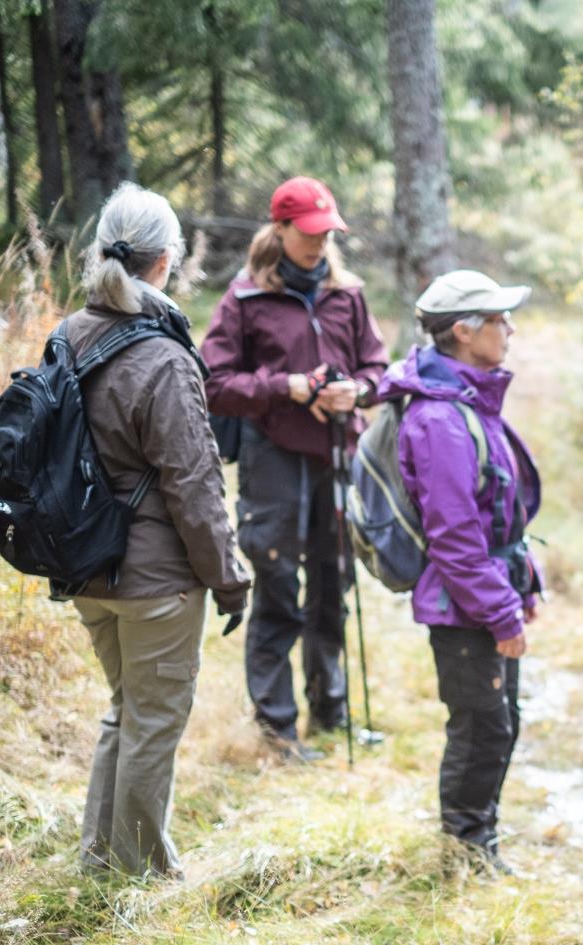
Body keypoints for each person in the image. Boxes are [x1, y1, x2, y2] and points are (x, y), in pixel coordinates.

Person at [64, 183, 251, 877]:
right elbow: (194, 486)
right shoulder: (166, 360)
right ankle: (140, 871)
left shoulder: (69, 334)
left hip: (83, 565)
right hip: (155, 582)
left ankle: (99, 857)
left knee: (126, 709)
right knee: (151, 720)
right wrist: (230, 579)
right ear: (167, 261)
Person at [201, 176, 388, 763]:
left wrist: (357, 392)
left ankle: (332, 712)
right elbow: (214, 383)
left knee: (334, 585)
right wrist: (287, 387)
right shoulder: (244, 299)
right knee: (279, 588)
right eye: (308, 233)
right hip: (273, 458)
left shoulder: (347, 294)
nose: (319, 242)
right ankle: (278, 732)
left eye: (326, 232)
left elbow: (378, 367)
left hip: (337, 453)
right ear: (279, 229)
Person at [373, 269, 544, 874]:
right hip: (463, 604)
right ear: (465, 332)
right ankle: (465, 854)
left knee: (501, 723)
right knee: (480, 729)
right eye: (500, 320)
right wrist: (499, 611)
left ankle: (479, 846)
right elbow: (455, 536)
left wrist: (524, 584)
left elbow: (498, 508)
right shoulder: (440, 419)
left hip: (483, 593)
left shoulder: (468, 399)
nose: (510, 330)